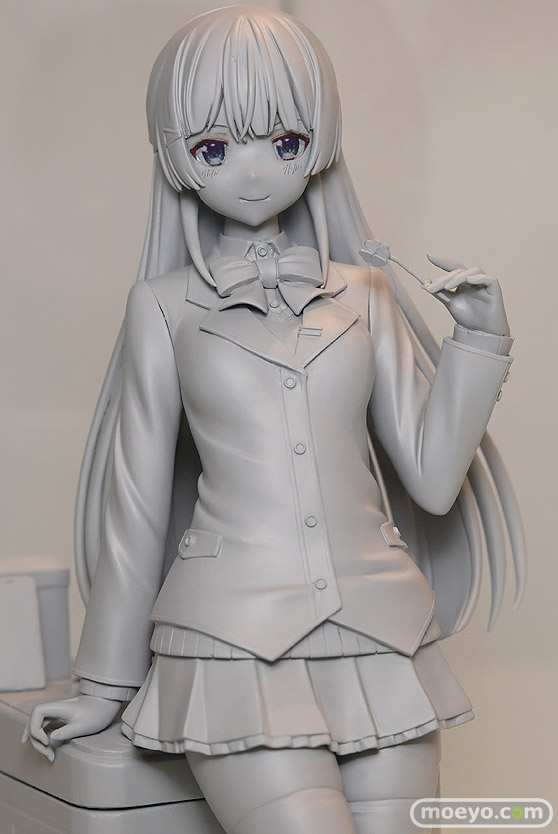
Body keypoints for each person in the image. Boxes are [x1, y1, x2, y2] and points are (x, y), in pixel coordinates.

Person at [23, 7, 525, 833]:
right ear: (176, 154)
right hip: (232, 640)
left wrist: (479, 341)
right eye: (215, 148)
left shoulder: (368, 296)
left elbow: (434, 482)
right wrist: (104, 685)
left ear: (321, 141)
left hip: (383, 633)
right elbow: (136, 511)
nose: (254, 172)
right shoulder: (162, 307)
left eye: (285, 141)